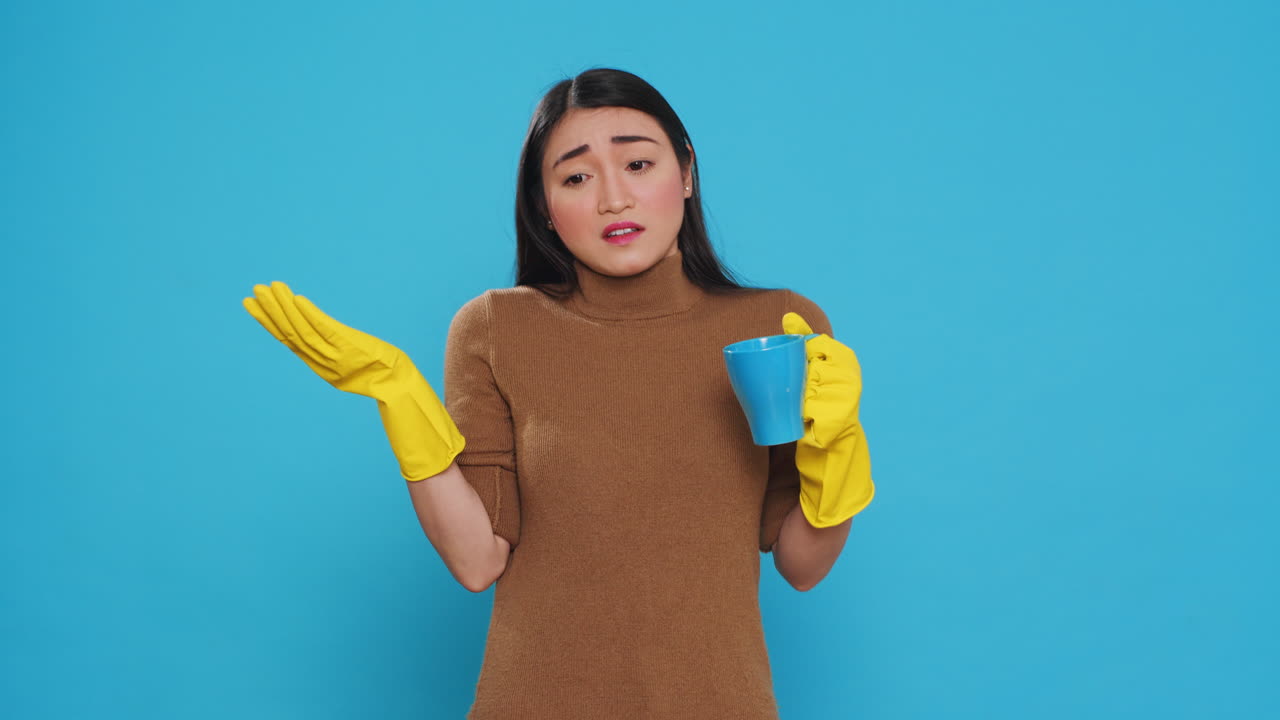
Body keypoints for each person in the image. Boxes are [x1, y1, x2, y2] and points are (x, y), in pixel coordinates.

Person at [243, 67, 874, 719]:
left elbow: (802, 565)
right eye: (576, 176)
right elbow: (475, 561)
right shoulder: (495, 328)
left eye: (637, 163)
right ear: (545, 204)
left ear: (685, 172)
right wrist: (397, 394)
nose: (613, 199)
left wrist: (839, 448)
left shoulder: (777, 330)